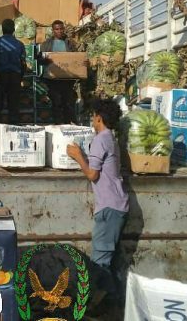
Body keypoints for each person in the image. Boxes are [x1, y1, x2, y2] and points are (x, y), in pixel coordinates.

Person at [66, 99, 128, 302]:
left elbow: (93, 174)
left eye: (93, 117)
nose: (92, 121)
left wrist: (78, 156)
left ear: (99, 118)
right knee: (109, 262)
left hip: (109, 208)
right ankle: (115, 305)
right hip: (116, 206)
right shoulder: (110, 138)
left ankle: (101, 307)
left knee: (99, 264)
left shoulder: (101, 139)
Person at [38, 20, 78, 124]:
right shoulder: (46, 44)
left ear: (63, 29)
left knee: (67, 103)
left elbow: (76, 58)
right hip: (53, 79)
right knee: (56, 102)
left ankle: (67, 124)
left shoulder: (69, 43)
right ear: (53, 30)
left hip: (67, 79)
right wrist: (45, 60)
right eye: (57, 29)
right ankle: (58, 124)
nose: (59, 31)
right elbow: (40, 60)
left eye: (61, 29)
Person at [0, 18, 25, 124]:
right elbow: (23, 63)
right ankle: (14, 123)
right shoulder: (19, 44)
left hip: (0, 75)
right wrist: (21, 77)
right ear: (14, 29)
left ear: (2, 29)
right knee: (13, 101)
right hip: (15, 75)